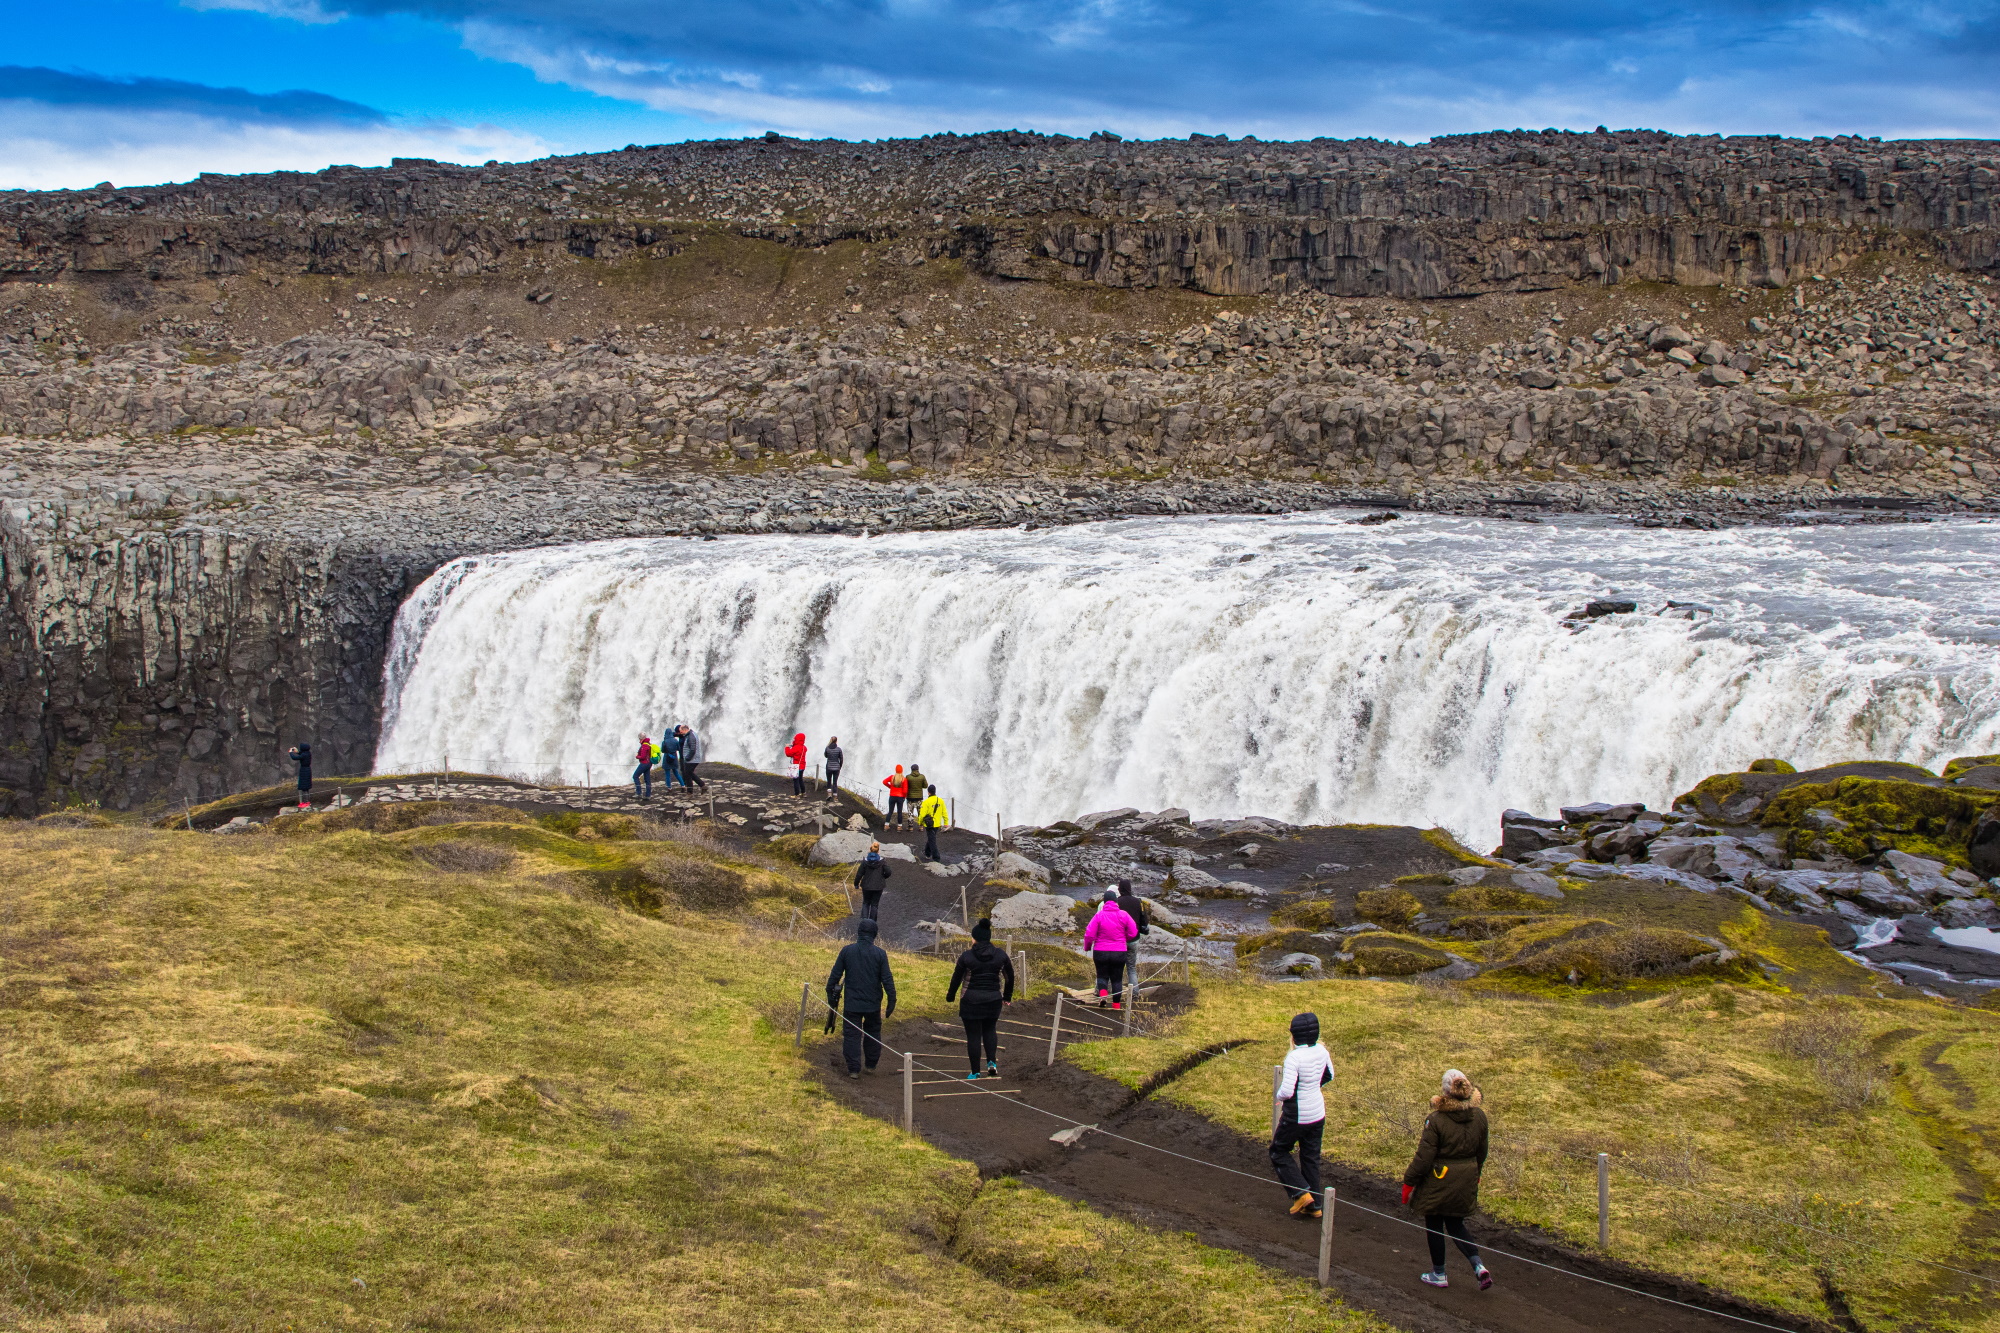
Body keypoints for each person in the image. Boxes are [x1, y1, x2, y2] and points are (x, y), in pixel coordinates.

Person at [1401, 1068, 1493, 1291]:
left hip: (1438, 1178)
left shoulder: (1436, 1120)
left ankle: (1439, 1273)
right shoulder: (1479, 1117)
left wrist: (1409, 1182)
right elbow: (1483, 1151)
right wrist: (1477, 1173)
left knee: (1434, 1223)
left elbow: (1424, 1157)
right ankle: (1478, 1266)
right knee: (1455, 1223)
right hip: (1467, 1177)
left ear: (1445, 1092)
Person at [1270, 1011, 1333, 1219]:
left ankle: (1301, 1193)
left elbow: (1287, 1090)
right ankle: (1315, 1205)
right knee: (1310, 1157)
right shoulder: (1322, 1051)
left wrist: (1279, 1097)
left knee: (1278, 1151)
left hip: (1297, 1114)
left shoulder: (1294, 1057)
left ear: (1294, 1035)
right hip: (1317, 1112)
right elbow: (1328, 1075)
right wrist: (1313, 1087)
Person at [825, 917, 896, 1079]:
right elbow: (887, 979)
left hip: (852, 1004)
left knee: (852, 1035)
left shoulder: (847, 951)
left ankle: (853, 1069)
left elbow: (834, 977)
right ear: (874, 934)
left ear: (859, 933)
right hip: (872, 1004)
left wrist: (831, 998)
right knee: (873, 1033)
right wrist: (892, 1000)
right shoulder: (880, 954)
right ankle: (870, 1065)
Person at [946, 918, 1015, 1079]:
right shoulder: (1000, 955)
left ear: (975, 938)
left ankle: (975, 1072)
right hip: (993, 1000)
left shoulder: (967, 956)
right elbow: (1009, 977)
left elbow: (956, 978)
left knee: (973, 1036)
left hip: (970, 1001)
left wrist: (950, 996)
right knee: (990, 1029)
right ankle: (992, 1063)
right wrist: (1007, 996)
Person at [1083, 892, 1139, 1008]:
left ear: (1104, 902)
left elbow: (1089, 934)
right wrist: (1124, 939)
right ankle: (1116, 1004)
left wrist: (1087, 947)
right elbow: (1134, 931)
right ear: (1116, 901)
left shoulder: (1099, 915)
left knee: (1102, 975)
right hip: (1119, 951)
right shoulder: (1124, 915)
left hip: (1100, 951)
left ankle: (1103, 994)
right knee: (1117, 979)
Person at [1115, 879, 1150, 997]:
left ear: (1120, 889)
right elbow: (1144, 920)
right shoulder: (1137, 901)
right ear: (1130, 888)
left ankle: (1116, 993)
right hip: (1134, 939)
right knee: (1131, 967)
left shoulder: (1117, 902)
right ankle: (1135, 993)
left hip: (1119, 940)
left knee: (1116, 968)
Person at [854, 842, 892, 921]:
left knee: (866, 903)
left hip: (866, 886)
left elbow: (859, 874)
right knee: (874, 904)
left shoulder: (865, 861)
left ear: (870, 850)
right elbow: (888, 872)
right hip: (878, 886)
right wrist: (883, 877)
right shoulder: (882, 861)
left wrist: (856, 884)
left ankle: (864, 920)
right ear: (878, 851)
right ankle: (872, 922)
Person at [917, 789, 950, 862]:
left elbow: (922, 814)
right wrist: (946, 822)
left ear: (928, 792)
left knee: (932, 840)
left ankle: (936, 858)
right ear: (935, 791)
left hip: (929, 824)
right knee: (931, 838)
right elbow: (944, 812)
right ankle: (927, 853)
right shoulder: (940, 801)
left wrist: (920, 822)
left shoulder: (926, 802)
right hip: (937, 824)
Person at [676, 724, 706, 789]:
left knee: (688, 774)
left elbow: (693, 749)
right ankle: (698, 787)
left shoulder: (690, 737)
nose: (681, 734)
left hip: (692, 759)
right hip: (693, 759)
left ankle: (701, 786)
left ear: (685, 730)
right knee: (689, 774)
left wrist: (687, 758)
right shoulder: (691, 734)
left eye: (681, 732)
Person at [288, 742, 312, 811]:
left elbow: (295, 758)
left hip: (304, 771)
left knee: (304, 788)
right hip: (307, 770)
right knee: (306, 788)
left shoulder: (304, 754)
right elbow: (302, 754)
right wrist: (297, 751)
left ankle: (306, 802)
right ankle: (306, 802)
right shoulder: (308, 753)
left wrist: (291, 752)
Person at [785, 732, 809, 797]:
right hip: (802, 766)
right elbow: (799, 751)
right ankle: (803, 793)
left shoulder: (796, 747)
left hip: (796, 766)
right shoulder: (804, 747)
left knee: (796, 780)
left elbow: (788, 754)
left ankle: (796, 795)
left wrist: (787, 747)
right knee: (800, 779)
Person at [632, 735, 654, 799]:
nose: (639, 741)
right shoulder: (648, 744)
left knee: (635, 776)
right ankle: (648, 795)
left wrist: (637, 756)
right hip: (649, 763)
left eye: (640, 739)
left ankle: (639, 793)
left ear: (642, 739)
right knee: (647, 779)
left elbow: (643, 756)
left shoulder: (644, 746)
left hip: (644, 763)